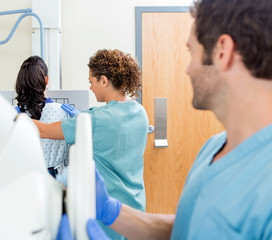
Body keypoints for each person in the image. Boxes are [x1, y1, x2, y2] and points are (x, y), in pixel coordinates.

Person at [59, 0, 272, 239]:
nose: (187, 69)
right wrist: (113, 212)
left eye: (192, 52)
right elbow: (188, 228)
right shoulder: (213, 148)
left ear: (223, 51)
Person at [33, 49, 149, 239]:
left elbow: (44, 130)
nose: (90, 88)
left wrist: (14, 116)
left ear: (104, 80)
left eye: (91, 82)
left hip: (108, 211)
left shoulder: (94, 120)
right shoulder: (140, 112)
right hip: (136, 208)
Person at [15, 56, 69, 177]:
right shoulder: (63, 112)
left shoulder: (12, 115)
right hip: (55, 182)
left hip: (22, 180)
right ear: (46, 80)